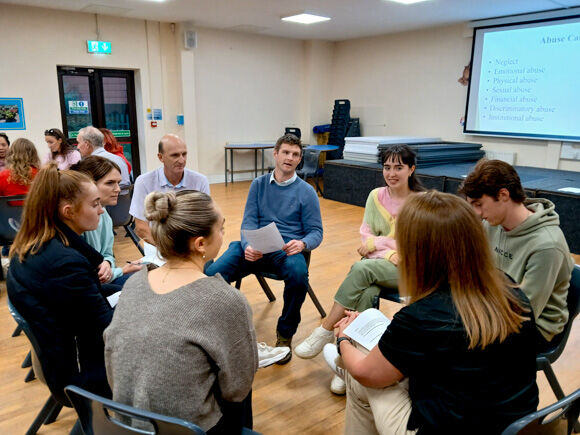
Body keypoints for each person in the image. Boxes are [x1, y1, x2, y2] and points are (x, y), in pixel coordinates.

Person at [333, 191, 539, 434]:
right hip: (516, 424)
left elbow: (366, 374)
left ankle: (338, 362)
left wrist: (344, 339)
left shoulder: (422, 316)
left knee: (359, 380)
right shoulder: (506, 286)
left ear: (416, 252)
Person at [104, 190, 258, 434]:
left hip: (127, 423)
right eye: (221, 229)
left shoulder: (135, 283)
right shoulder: (225, 300)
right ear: (200, 244)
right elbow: (236, 389)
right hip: (187, 429)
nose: (223, 235)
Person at [295, 145, 423, 394]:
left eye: (399, 167)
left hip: (412, 271)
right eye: (387, 167)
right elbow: (365, 238)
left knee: (361, 268)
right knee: (366, 290)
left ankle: (325, 329)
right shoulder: (376, 196)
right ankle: (349, 367)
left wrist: (377, 245)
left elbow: (414, 247)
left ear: (411, 169)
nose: (392, 173)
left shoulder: (421, 202)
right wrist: (387, 250)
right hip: (383, 266)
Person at [205, 133, 323, 364]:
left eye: (295, 154)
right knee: (211, 275)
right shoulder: (258, 185)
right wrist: (248, 245)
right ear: (276, 154)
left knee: (299, 276)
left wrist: (302, 243)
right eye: (286, 152)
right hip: (255, 249)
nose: (290, 158)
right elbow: (248, 222)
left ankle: (285, 334)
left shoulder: (307, 192)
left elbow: (316, 232)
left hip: (287, 252)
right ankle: (215, 328)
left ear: (299, 160)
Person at [7, 163, 113, 399]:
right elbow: (107, 327)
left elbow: (92, 285)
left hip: (61, 360)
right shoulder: (63, 264)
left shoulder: (38, 243)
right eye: (95, 204)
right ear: (68, 211)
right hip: (82, 375)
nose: (102, 211)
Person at [459, 159, 573, 350]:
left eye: (479, 204)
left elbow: (523, 312)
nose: (476, 213)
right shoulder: (491, 225)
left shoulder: (547, 245)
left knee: (452, 343)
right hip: (495, 307)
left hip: (534, 327)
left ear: (503, 194)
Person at [72, 156, 143, 287]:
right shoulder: (79, 221)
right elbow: (87, 276)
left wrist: (108, 263)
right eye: (110, 183)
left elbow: (107, 254)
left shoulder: (105, 217)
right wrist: (122, 270)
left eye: (118, 182)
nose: (118, 189)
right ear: (89, 184)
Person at [129, 134, 209, 245]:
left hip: (191, 245)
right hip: (158, 246)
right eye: (175, 155)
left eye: (184, 154)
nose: (181, 160)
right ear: (160, 157)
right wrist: (167, 250)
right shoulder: (144, 182)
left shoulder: (200, 181)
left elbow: (205, 220)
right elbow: (141, 227)